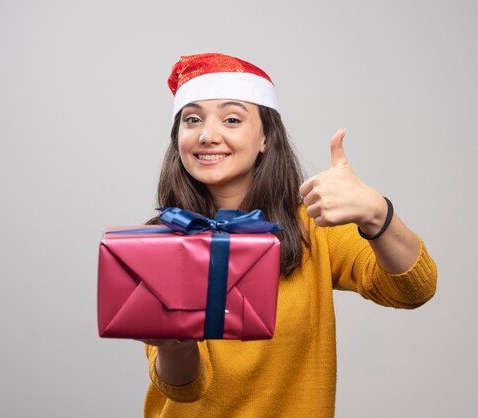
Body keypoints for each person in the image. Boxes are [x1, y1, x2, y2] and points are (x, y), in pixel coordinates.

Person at [142, 53, 437, 417]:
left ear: (265, 137)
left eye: (231, 119)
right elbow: (184, 389)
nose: (207, 135)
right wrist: (174, 346)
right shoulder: (157, 242)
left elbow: (413, 290)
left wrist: (376, 213)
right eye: (192, 120)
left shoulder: (313, 226)